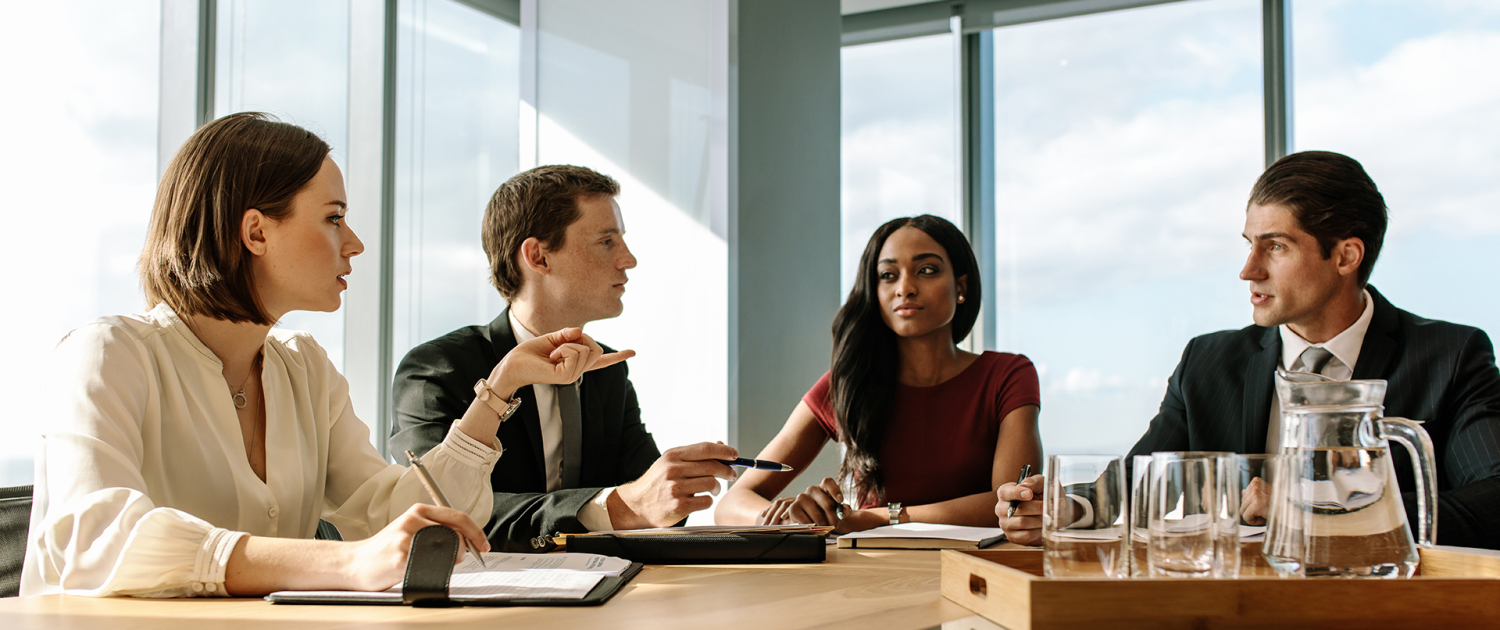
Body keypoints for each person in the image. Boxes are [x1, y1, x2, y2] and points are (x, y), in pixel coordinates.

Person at [20, 113, 626, 597]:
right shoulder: (107, 355)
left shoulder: (303, 368)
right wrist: (344, 562)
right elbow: (95, 539)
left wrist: (499, 390)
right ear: (256, 232)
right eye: (334, 219)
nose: (354, 244)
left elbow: (392, 510)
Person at [997, 151, 1500, 550]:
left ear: (1346, 255)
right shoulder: (1208, 363)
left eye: (1276, 246)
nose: (1248, 270)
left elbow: (1493, 499)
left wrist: (1314, 508)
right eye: (1250, 244)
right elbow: (1136, 485)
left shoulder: (1450, 355)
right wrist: (1064, 509)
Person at [389, 165, 738, 552]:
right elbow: (439, 508)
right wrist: (614, 508)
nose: (628, 259)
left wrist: (675, 487)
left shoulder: (608, 369)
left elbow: (649, 503)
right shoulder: (435, 371)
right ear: (538, 257)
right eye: (606, 241)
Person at [715, 215, 1042, 532]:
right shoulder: (848, 383)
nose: (905, 288)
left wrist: (880, 518)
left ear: (961, 286)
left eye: (926, 270)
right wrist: (784, 519)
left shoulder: (1007, 376)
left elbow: (1014, 506)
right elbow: (731, 504)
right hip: (870, 566)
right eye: (888, 275)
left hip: (976, 564)